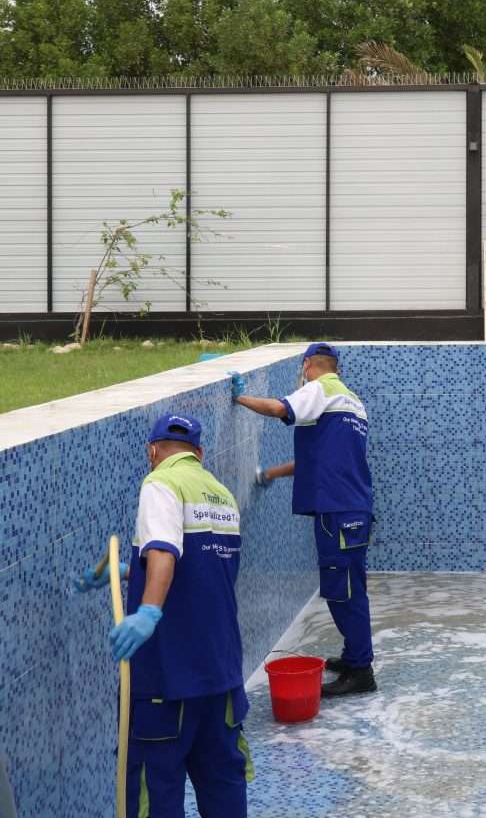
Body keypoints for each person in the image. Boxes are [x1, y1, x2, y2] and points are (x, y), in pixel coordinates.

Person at [73, 413, 252, 816]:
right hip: (221, 676)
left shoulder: (160, 483)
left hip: (168, 681)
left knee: (155, 798)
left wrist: (148, 612)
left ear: (152, 451)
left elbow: (165, 554)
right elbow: (201, 567)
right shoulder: (221, 494)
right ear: (199, 453)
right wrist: (129, 571)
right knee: (224, 790)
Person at [230, 342, 376, 697]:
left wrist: (240, 398)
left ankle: (361, 671)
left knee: (344, 593)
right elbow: (319, 460)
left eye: (303, 369)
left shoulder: (320, 388)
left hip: (338, 510)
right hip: (351, 508)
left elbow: (279, 408)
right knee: (349, 586)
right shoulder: (352, 402)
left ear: (308, 364)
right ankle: (353, 656)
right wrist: (270, 474)